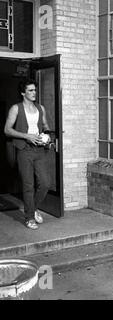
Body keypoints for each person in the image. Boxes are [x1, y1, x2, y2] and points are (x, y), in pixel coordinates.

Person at [4, 79, 51, 230]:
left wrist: (48, 137)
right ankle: (29, 217)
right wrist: (26, 136)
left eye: (35, 90)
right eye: (30, 90)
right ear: (23, 92)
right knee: (28, 185)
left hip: (39, 150)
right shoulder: (16, 109)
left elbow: (45, 126)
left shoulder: (40, 108)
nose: (34, 93)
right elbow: (7, 130)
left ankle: (32, 208)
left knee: (45, 183)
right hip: (24, 150)